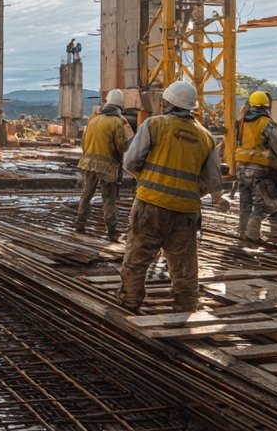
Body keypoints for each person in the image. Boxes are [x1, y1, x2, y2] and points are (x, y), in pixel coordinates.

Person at [117, 80, 228, 314]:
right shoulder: (206, 136)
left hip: (150, 206)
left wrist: (145, 178)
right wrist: (190, 192)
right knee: (184, 267)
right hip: (186, 212)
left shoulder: (154, 125)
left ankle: (130, 304)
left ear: (166, 102)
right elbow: (213, 180)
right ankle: (185, 310)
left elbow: (130, 162)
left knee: (136, 260)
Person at [76, 88, 133, 241]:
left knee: (86, 196)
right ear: (120, 106)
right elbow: (123, 146)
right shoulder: (118, 122)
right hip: (107, 167)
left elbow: (83, 143)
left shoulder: (93, 120)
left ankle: (80, 225)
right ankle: (112, 231)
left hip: (88, 163)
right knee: (109, 199)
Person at [235, 90, 277, 244]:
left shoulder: (241, 122)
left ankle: (242, 233)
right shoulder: (267, 123)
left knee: (245, 204)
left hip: (241, 169)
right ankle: (252, 236)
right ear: (266, 106)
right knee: (260, 205)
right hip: (259, 170)